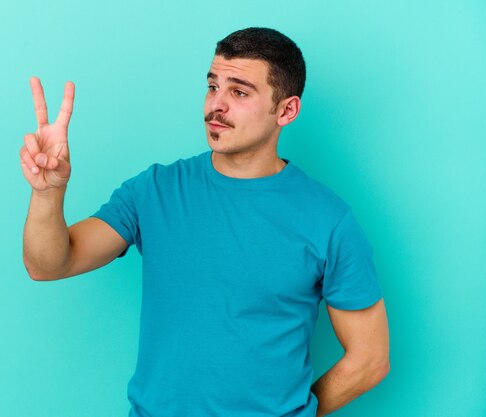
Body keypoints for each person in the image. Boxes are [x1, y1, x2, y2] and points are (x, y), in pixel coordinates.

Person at [20, 27, 390, 417]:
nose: (217, 104)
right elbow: (47, 265)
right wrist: (48, 192)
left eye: (239, 92)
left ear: (287, 110)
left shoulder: (329, 221)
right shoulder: (155, 190)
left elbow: (370, 359)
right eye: (213, 86)